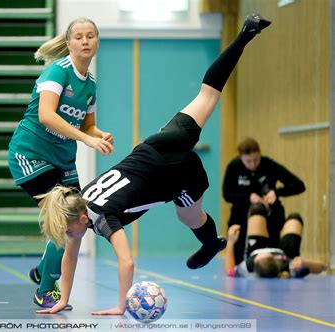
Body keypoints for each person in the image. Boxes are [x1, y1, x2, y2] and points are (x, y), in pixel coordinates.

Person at [35, 14, 271, 315]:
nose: (69, 238)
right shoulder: (79, 199)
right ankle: (247, 33)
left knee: (190, 217)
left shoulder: (102, 218)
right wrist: (62, 298)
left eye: (68, 231)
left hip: (178, 175)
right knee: (208, 93)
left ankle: (211, 242)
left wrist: (121, 307)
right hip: (158, 144)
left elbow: (127, 260)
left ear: (82, 219)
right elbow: (70, 255)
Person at [7, 17, 115, 309]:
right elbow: (46, 115)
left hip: (62, 160)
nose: (84, 41)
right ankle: (45, 289)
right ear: (69, 43)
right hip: (30, 154)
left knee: (79, 223)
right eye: (78, 37)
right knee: (66, 220)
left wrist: (97, 134)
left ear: (97, 42)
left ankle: (44, 270)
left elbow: (88, 124)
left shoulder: (90, 84)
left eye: (90, 36)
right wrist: (85, 139)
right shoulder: (58, 71)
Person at [222, 137, 306, 265]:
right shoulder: (234, 167)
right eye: (248, 161)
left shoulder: (269, 165)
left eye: (256, 160)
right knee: (239, 262)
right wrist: (248, 197)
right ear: (241, 157)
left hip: (269, 219)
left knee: (270, 258)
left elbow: (299, 185)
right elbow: (227, 194)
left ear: (260, 154)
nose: (253, 164)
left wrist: (276, 193)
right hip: (241, 218)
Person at [225, 206, 327, 278]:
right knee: (295, 217)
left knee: (256, 210)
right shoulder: (287, 265)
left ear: (255, 261)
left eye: (260, 256)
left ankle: (268, 209)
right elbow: (323, 266)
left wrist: (230, 242)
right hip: (286, 252)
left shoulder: (249, 265)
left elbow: (230, 271)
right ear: (276, 260)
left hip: (256, 247)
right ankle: (276, 219)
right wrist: (305, 263)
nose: (264, 252)